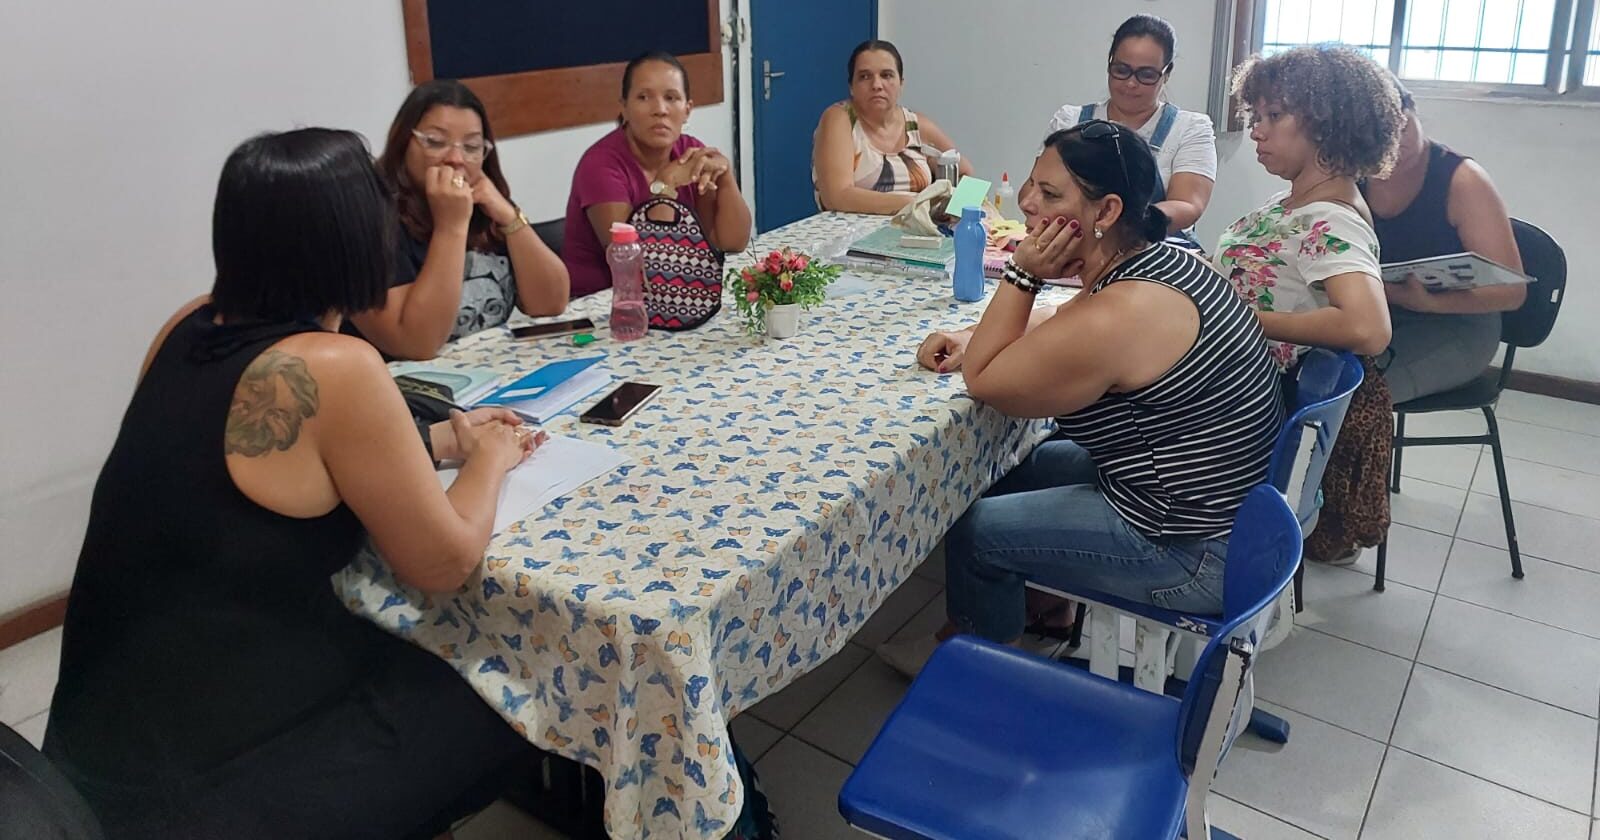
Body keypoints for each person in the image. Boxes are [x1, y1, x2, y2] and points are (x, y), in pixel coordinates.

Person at [45, 128, 549, 839]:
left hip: (91, 748)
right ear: (358, 242)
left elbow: (269, 464)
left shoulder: (185, 325)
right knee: (516, 683)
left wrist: (435, 441)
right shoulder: (336, 365)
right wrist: (491, 456)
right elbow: (445, 561)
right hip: (217, 781)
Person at [880, 122, 1284, 676]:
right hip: (1215, 506)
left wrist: (1021, 273)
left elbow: (987, 382)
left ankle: (974, 671)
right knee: (1017, 465)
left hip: (1187, 549)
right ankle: (1042, 613)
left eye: (1049, 196)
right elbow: (1064, 322)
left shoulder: (1123, 312)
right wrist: (975, 336)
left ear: (1108, 210)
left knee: (974, 532)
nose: (1026, 203)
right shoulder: (1163, 259)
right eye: (1030, 185)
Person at [1216, 45, 1404, 565]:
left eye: (1274, 116)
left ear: (1328, 125)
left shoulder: (1330, 217)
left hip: (1243, 411)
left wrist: (1241, 320)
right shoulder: (1296, 201)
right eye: (1256, 116)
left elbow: (1368, 328)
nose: (1257, 130)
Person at [348, 80, 570, 360]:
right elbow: (416, 344)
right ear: (403, 142)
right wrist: (451, 226)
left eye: (472, 146)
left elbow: (550, 303)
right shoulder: (370, 216)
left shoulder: (484, 204)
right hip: (406, 390)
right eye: (435, 142)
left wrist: (510, 217)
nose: (455, 159)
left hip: (492, 372)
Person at [1361, 81, 1525, 403]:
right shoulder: (1355, 175)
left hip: (1457, 325)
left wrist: (1430, 303)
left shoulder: (1462, 179)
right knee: (1297, 372)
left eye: (1403, 126)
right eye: (1380, 134)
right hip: (1381, 313)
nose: (1396, 142)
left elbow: (1513, 292)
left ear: (1415, 112)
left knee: (1359, 396)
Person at [563, 51, 752, 297]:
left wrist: (725, 177)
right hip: (603, 304)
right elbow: (638, 266)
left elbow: (731, 242)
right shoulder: (600, 165)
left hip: (674, 293)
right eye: (643, 97)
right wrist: (665, 185)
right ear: (625, 108)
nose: (660, 110)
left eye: (671, 98)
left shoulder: (690, 152)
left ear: (687, 109)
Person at [1046, 14, 1217, 244]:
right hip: (1075, 245)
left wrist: (1125, 228)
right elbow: (1038, 191)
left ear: (1166, 74)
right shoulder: (1070, 120)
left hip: (1152, 250)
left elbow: (1188, 205)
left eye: (1146, 75)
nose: (1130, 83)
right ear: (1109, 64)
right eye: (1121, 70)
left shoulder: (1190, 129)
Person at [812, 39, 973, 215]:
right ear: (851, 87)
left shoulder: (916, 125)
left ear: (901, 83)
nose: (876, 85)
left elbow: (966, 173)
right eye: (865, 76)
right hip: (851, 236)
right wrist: (916, 203)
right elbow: (837, 196)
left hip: (918, 232)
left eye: (886, 75)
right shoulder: (839, 119)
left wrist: (954, 214)